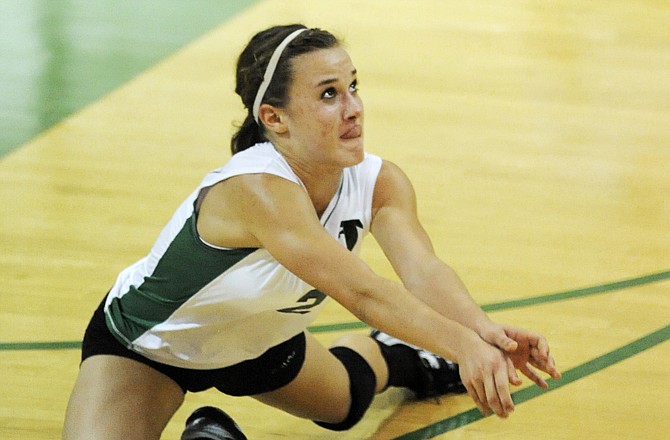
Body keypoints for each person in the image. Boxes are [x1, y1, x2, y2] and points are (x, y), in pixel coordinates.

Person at [62, 24, 561, 440]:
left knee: (345, 404)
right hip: (152, 346)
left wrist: (481, 331)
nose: (353, 108)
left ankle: (405, 356)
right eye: (328, 94)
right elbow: (361, 290)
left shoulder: (380, 181)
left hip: (260, 338)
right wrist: (465, 348)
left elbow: (422, 270)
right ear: (273, 118)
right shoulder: (256, 188)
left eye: (353, 86)